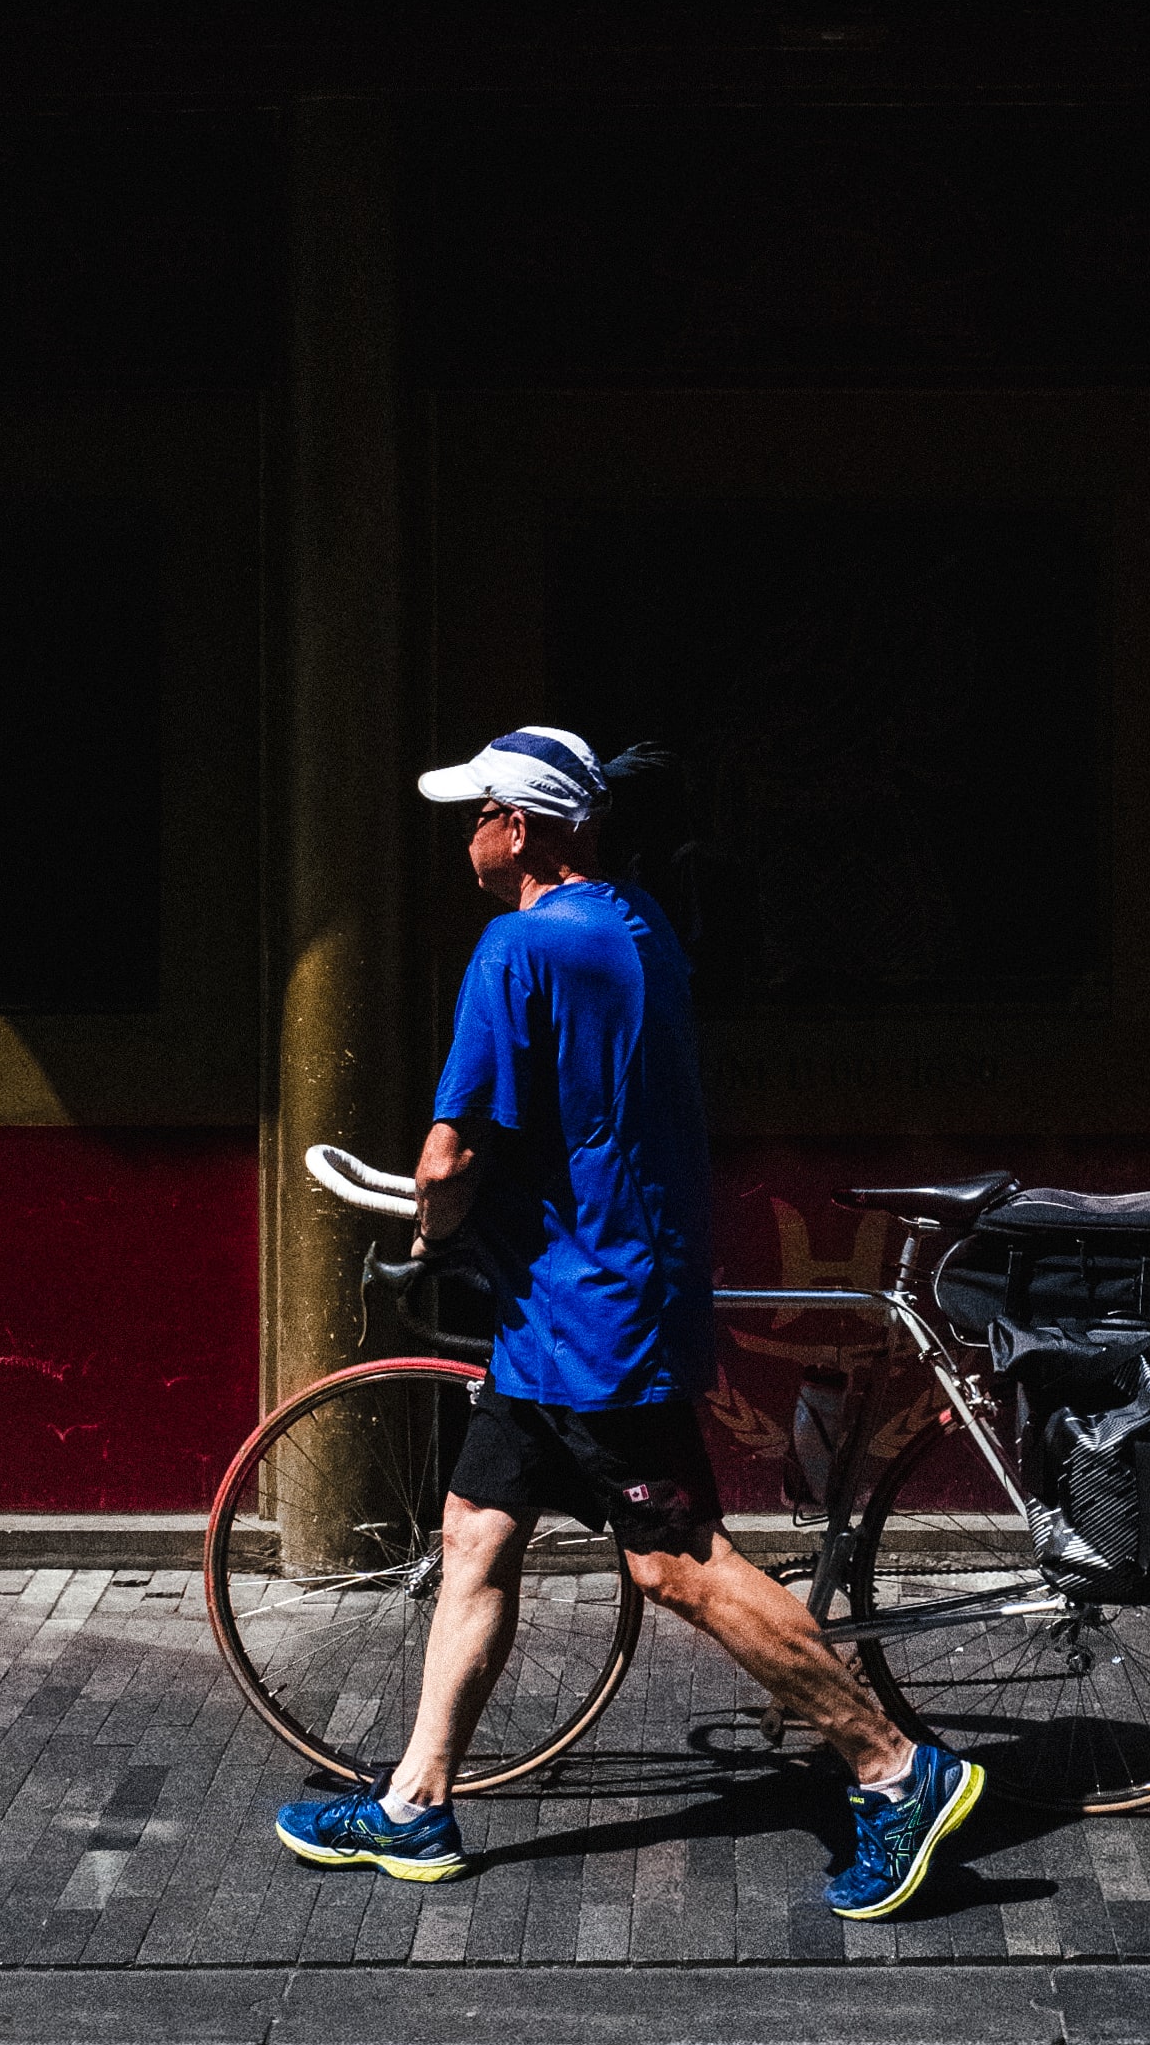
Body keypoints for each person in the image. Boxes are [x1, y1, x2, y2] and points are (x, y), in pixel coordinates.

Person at [273, 724, 986, 1920]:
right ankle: (414, 1804)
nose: (468, 833)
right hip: (572, 1306)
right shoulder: (635, 924)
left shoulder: (515, 950)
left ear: (525, 827)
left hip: (590, 1319)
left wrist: (426, 1240)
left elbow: (451, 1154)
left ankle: (894, 1766)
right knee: (474, 1529)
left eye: (479, 811)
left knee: (677, 1563)